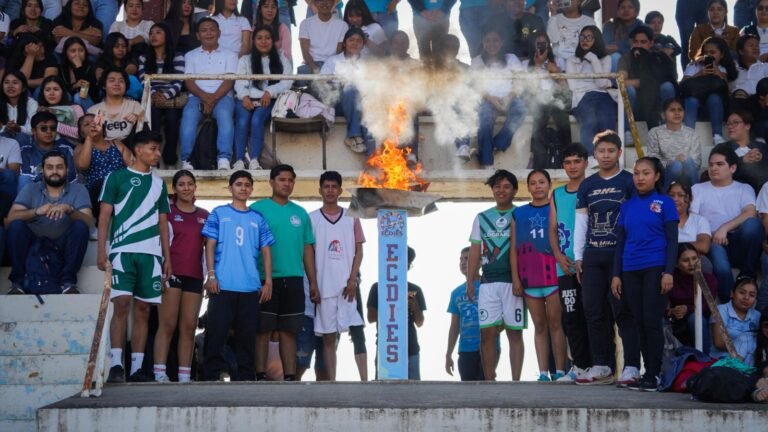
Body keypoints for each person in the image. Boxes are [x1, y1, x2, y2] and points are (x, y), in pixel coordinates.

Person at [98, 130, 171, 383]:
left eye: (158, 149)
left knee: (143, 310)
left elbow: (163, 223)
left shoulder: (160, 184)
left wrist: (167, 259)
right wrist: (101, 251)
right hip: (122, 251)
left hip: (151, 255)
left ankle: (137, 368)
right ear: (138, 150)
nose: (157, 154)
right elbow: (105, 215)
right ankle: (117, 365)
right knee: (121, 306)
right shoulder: (116, 177)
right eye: (153, 148)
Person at [573, 130, 640, 386]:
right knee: (592, 310)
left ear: (619, 153)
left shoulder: (629, 181)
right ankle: (602, 365)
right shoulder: (587, 185)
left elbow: (635, 219)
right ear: (595, 155)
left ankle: (632, 366)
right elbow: (581, 221)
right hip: (593, 256)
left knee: (623, 311)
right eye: (601, 151)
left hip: (620, 255)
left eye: (611, 151)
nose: (606, 155)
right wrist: (578, 255)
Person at [200, 170, 274, 381]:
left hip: (250, 287)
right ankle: (210, 377)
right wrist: (211, 275)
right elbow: (209, 245)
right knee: (216, 334)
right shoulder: (218, 213)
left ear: (251, 189)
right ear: (230, 187)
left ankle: (246, 379)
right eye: (239, 184)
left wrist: (268, 281)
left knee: (247, 337)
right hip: (222, 285)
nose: (243, 188)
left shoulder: (257, 218)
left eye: (247, 185)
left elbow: (266, 250)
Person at [611, 157, 678, 391]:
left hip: (655, 267)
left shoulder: (665, 202)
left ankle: (653, 374)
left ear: (657, 176)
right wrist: (616, 274)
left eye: (646, 173)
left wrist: (669, 272)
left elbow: (672, 240)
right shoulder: (626, 205)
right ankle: (644, 373)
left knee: (651, 321)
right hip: (630, 269)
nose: (640, 177)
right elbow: (620, 243)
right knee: (638, 322)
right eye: (637, 173)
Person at [250, 164, 320, 382]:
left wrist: (313, 282)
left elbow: (308, 249)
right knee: (262, 329)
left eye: (290, 180)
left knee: (289, 331)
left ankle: (289, 377)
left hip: (294, 279)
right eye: (282, 180)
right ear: (271, 182)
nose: (286, 184)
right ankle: (259, 375)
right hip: (264, 279)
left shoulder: (300, 214)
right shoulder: (257, 209)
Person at [467, 169, 526, 381]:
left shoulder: (521, 214)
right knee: (487, 333)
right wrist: (470, 280)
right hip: (488, 283)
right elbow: (474, 250)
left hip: (514, 283)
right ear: (492, 190)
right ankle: (490, 379)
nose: (501, 190)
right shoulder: (482, 218)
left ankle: (516, 380)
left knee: (514, 332)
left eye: (506, 186)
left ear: (515, 190)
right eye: (497, 186)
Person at [5, 150, 91, 295]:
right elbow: (11, 218)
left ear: (67, 170)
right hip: (34, 245)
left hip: (63, 244)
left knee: (80, 227)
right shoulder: (30, 188)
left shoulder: (78, 189)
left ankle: (68, 282)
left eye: (59, 167)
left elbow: (88, 222)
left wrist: (70, 209)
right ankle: (17, 283)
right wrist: (36, 211)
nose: (55, 171)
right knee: (16, 226)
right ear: (43, 170)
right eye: (50, 167)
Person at [152, 170, 208, 382]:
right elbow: (159, 244)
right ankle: (159, 372)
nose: (186, 188)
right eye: (181, 184)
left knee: (188, 327)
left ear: (195, 187)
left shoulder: (205, 215)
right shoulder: (167, 212)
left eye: (190, 184)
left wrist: (208, 276)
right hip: (171, 274)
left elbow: (209, 249)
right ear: (174, 189)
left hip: (195, 276)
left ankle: (184, 375)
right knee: (167, 324)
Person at [309, 171, 365, 381]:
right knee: (328, 336)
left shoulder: (352, 216)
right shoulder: (312, 219)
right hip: (324, 285)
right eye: (327, 186)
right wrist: (314, 283)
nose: (330, 190)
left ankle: (364, 380)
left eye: (334, 186)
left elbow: (358, 251)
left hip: (348, 286)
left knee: (357, 331)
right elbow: (309, 252)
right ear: (320, 190)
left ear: (340, 190)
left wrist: (353, 280)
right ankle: (332, 381)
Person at [691, 144, 764, 302]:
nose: (713, 168)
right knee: (722, 266)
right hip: (713, 243)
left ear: (732, 168)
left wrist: (723, 228)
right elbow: (693, 218)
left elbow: (750, 212)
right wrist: (713, 235)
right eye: (711, 164)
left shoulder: (744, 188)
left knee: (753, 225)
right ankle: (729, 303)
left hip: (740, 243)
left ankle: (746, 274)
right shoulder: (697, 189)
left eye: (719, 164)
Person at [515, 169, 567, 381]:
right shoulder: (518, 213)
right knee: (539, 326)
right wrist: (516, 278)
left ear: (549, 185)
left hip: (553, 275)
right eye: (533, 183)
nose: (537, 186)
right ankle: (543, 372)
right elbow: (512, 249)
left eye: (542, 182)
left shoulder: (557, 208)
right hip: (529, 277)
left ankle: (561, 371)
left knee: (556, 323)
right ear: (528, 187)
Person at [548, 143, 592, 382]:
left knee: (594, 315)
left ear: (586, 162)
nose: (572, 166)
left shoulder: (594, 188)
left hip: (591, 265)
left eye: (577, 161)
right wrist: (557, 256)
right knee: (571, 317)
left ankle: (599, 366)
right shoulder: (557, 193)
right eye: (568, 162)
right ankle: (580, 367)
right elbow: (552, 229)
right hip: (565, 267)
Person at [179, 18, 237, 171]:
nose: (209, 33)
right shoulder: (190, 55)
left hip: (223, 96)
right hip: (197, 96)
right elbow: (189, 82)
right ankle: (187, 160)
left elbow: (229, 81)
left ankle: (223, 159)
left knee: (225, 114)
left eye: (212, 29)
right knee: (189, 115)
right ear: (198, 35)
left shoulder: (230, 55)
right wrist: (205, 97)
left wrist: (213, 99)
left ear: (219, 33)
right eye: (204, 30)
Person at [234, 24, 293, 170]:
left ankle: (254, 160)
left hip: (269, 100)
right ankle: (239, 160)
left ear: (273, 41)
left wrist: (269, 92)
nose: (264, 41)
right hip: (246, 99)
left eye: (267, 38)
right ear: (254, 41)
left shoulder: (281, 59)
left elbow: (287, 82)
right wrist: (245, 97)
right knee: (242, 121)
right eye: (259, 38)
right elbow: (240, 82)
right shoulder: (245, 60)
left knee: (256, 120)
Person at [367, 246, 427, 380]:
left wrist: (415, 306)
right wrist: (393, 307)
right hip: (386, 350)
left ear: (408, 266)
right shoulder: (378, 287)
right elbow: (370, 317)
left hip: (410, 350)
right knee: (383, 396)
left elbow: (420, 322)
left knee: (413, 396)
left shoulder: (415, 289)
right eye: (397, 259)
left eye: (404, 261)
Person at [472, 28, 526, 169]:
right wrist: (492, 99)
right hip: (488, 98)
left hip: (510, 96)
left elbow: (520, 80)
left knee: (521, 110)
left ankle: (498, 144)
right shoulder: (477, 61)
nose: (491, 44)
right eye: (487, 41)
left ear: (502, 42)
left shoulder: (511, 58)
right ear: (482, 43)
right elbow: (475, 85)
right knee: (484, 120)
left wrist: (510, 96)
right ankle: (488, 164)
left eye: (495, 40)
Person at [138, 22, 185, 167]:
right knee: (154, 116)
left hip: (171, 96)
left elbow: (179, 81)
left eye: (158, 32)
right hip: (152, 97)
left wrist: (164, 96)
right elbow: (143, 80)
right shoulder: (143, 58)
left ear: (167, 36)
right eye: (151, 33)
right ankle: (153, 155)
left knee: (172, 117)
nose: (153, 36)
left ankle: (170, 153)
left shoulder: (177, 56)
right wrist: (154, 95)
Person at [565, 26, 616, 161]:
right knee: (590, 120)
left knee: (607, 119)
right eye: (582, 37)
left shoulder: (605, 59)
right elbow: (573, 86)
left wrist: (594, 60)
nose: (585, 40)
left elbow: (601, 84)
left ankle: (610, 158)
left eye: (589, 37)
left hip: (603, 95)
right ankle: (589, 158)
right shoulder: (572, 60)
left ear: (597, 39)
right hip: (582, 96)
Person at [617, 25, 677, 135]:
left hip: (656, 106)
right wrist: (644, 81)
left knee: (667, 87)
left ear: (651, 43)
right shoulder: (626, 58)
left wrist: (640, 82)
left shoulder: (658, 58)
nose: (638, 45)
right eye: (636, 42)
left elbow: (664, 79)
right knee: (629, 90)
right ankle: (627, 132)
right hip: (636, 107)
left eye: (643, 42)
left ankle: (669, 128)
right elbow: (621, 82)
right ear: (631, 43)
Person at [320, 28, 372, 155]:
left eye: (359, 41)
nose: (355, 43)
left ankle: (371, 161)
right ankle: (353, 134)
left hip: (362, 103)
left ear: (363, 45)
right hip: (337, 102)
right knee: (351, 89)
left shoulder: (368, 63)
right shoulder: (332, 61)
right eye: (351, 40)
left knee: (370, 119)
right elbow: (322, 82)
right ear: (344, 43)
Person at [73, 113, 131, 221]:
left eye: (95, 122)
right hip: (97, 194)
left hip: (122, 188)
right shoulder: (80, 148)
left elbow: (134, 167)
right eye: (86, 124)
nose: (92, 125)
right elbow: (83, 166)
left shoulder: (116, 144)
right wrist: (90, 137)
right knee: (102, 184)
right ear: (81, 132)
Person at [682, 37, 737, 146]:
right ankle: (688, 137)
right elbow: (683, 85)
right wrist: (699, 74)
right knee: (691, 100)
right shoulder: (693, 66)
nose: (709, 55)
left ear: (721, 55)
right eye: (706, 52)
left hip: (715, 109)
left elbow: (727, 88)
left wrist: (717, 71)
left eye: (713, 52)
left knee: (714, 98)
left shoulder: (725, 68)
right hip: (695, 107)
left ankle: (717, 135)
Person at [446, 247, 486, 381]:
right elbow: (454, 326)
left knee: (486, 390)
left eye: (467, 259)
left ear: (479, 262)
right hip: (465, 350)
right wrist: (448, 354)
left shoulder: (488, 285)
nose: (463, 263)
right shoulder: (456, 293)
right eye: (461, 259)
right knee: (468, 394)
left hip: (487, 347)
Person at [669, 242, 717, 351]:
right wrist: (671, 311)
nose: (691, 263)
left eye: (694, 258)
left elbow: (709, 306)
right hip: (675, 321)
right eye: (685, 260)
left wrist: (688, 309)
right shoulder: (671, 279)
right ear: (676, 263)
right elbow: (662, 304)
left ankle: (704, 358)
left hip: (700, 319)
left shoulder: (709, 279)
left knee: (695, 318)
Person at [646, 98, 701, 187]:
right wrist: (673, 161)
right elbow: (653, 159)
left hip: (688, 173)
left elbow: (697, 163)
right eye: (672, 110)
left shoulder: (692, 133)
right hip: (665, 175)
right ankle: (665, 197)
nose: (677, 113)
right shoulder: (655, 132)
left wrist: (684, 160)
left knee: (688, 160)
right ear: (663, 115)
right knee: (676, 166)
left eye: (680, 110)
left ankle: (695, 195)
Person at [18, 111, 76, 192]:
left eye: (53, 128)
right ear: (34, 131)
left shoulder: (65, 150)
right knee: (23, 179)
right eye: (43, 128)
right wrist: (52, 177)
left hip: (60, 192)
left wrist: (45, 178)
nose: (49, 131)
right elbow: (24, 176)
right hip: (34, 195)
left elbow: (71, 176)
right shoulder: (25, 150)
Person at [711, 277, 761, 366]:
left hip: (749, 364)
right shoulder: (721, 310)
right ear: (732, 293)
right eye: (742, 292)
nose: (746, 297)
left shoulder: (758, 316)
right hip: (722, 361)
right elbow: (719, 342)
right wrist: (745, 345)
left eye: (752, 295)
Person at [87, 67, 144, 143]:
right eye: (111, 80)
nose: (117, 84)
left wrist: (137, 119)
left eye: (121, 81)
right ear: (104, 86)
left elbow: (145, 134)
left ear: (125, 86)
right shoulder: (92, 111)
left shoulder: (135, 106)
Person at [667, 181, 713, 273]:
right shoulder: (660, 220)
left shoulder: (700, 220)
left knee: (705, 264)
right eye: (671, 195)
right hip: (667, 258)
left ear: (690, 198)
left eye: (680, 195)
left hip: (690, 260)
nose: (675, 199)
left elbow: (704, 246)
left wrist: (674, 246)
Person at [298, 0, 348, 75]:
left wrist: (327, 69)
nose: (324, 2)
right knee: (301, 74)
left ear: (334, 2)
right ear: (315, 3)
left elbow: (339, 53)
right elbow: (305, 52)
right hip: (312, 64)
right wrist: (315, 69)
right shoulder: (305, 23)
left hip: (332, 64)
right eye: (320, 0)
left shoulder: (342, 25)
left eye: (328, 0)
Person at [724, 110, 768, 193]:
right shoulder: (722, 149)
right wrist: (742, 161)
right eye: (728, 124)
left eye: (735, 122)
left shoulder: (762, 147)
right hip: (736, 192)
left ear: (747, 126)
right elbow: (721, 172)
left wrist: (762, 158)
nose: (730, 126)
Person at [546, 0, 595, 64]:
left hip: (580, 62)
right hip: (559, 62)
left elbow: (591, 46)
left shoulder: (589, 21)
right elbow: (552, 39)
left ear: (579, 2)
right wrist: (553, 14)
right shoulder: (555, 18)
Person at [58, 36, 98, 110]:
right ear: (66, 53)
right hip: (68, 104)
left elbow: (85, 93)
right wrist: (74, 86)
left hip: (89, 103)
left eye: (81, 50)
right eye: (73, 51)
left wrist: (79, 68)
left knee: (78, 96)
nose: (77, 54)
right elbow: (60, 90)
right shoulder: (61, 68)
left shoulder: (91, 66)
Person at [1, 69, 38, 148]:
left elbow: (32, 129)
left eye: (15, 82)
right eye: (6, 82)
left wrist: (18, 128)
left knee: (21, 137)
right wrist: (5, 128)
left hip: (24, 140)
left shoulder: (31, 103)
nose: (10, 86)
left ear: (24, 88)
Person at [602, 0, 642, 71]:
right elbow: (607, 46)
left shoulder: (642, 27)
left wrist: (618, 47)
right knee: (615, 57)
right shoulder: (609, 26)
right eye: (622, 7)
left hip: (635, 61)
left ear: (637, 11)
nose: (626, 10)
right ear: (617, 11)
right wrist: (627, 45)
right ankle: (616, 82)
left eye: (630, 7)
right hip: (614, 60)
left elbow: (640, 47)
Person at [676, 0, 709, 68]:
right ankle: (688, 75)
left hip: (705, 3)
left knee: (707, 42)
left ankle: (708, 73)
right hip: (686, 3)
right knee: (687, 44)